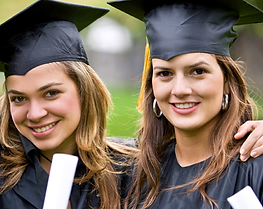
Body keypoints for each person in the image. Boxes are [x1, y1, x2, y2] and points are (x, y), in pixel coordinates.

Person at [108, 0, 263, 208]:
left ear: (227, 82)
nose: (180, 89)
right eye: (164, 73)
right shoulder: (131, 175)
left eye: (198, 71)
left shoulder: (255, 168)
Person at [0, 1, 135, 209]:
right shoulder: (3, 179)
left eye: (51, 93)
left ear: (85, 91)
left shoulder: (131, 170)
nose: (35, 114)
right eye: (18, 98)